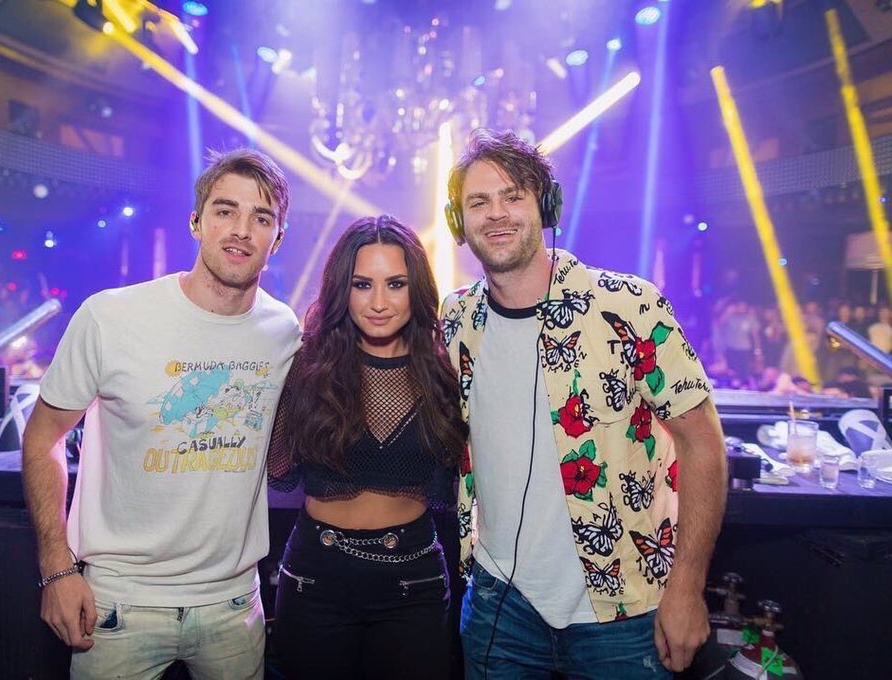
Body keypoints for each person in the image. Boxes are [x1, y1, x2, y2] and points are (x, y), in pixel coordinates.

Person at [441, 129, 727, 678]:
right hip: (501, 607)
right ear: (459, 222)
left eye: (512, 196)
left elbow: (702, 442)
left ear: (546, 206)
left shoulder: (629, 306)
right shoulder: (455, 321)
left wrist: (688, 586)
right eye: (478, 202)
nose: (496, 214)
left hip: (625, 609)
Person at [22, 148, 301, 679]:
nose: (241, 230)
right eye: (225, 210)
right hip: (117, 603)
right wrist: (56, 567)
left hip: (233, 605)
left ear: (277, 238)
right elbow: (42, 438)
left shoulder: (283, 331)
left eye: (261, 218)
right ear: (196, 222)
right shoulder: (110, 317)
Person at [268, 215, 468, 679]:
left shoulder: (444, 371)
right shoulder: (307, 365)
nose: (379, 302)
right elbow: (277, 467)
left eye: (395, 284)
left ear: (416, 289)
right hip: (315, 577)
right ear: (343, 289)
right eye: (362, 285)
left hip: (413, 580)